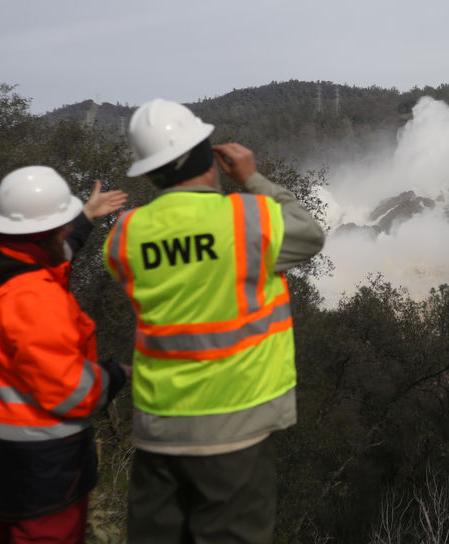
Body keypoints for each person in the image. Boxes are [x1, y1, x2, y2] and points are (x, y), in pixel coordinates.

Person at [103, 98, 325, 543]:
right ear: (211, 159)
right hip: (234, 430)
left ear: (148, 173)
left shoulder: (124, 234)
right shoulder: (250, 218)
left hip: (158, 429)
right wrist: (251, 178)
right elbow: (310, 232)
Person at [0, 166, 131, 544]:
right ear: (50, 231)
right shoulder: (35, 299)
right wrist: (116, 375)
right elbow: (71, 392)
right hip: (44, 460)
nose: (68, 230)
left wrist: (83, 218)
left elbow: (45, 263)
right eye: (63, 224)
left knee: (2, 532)